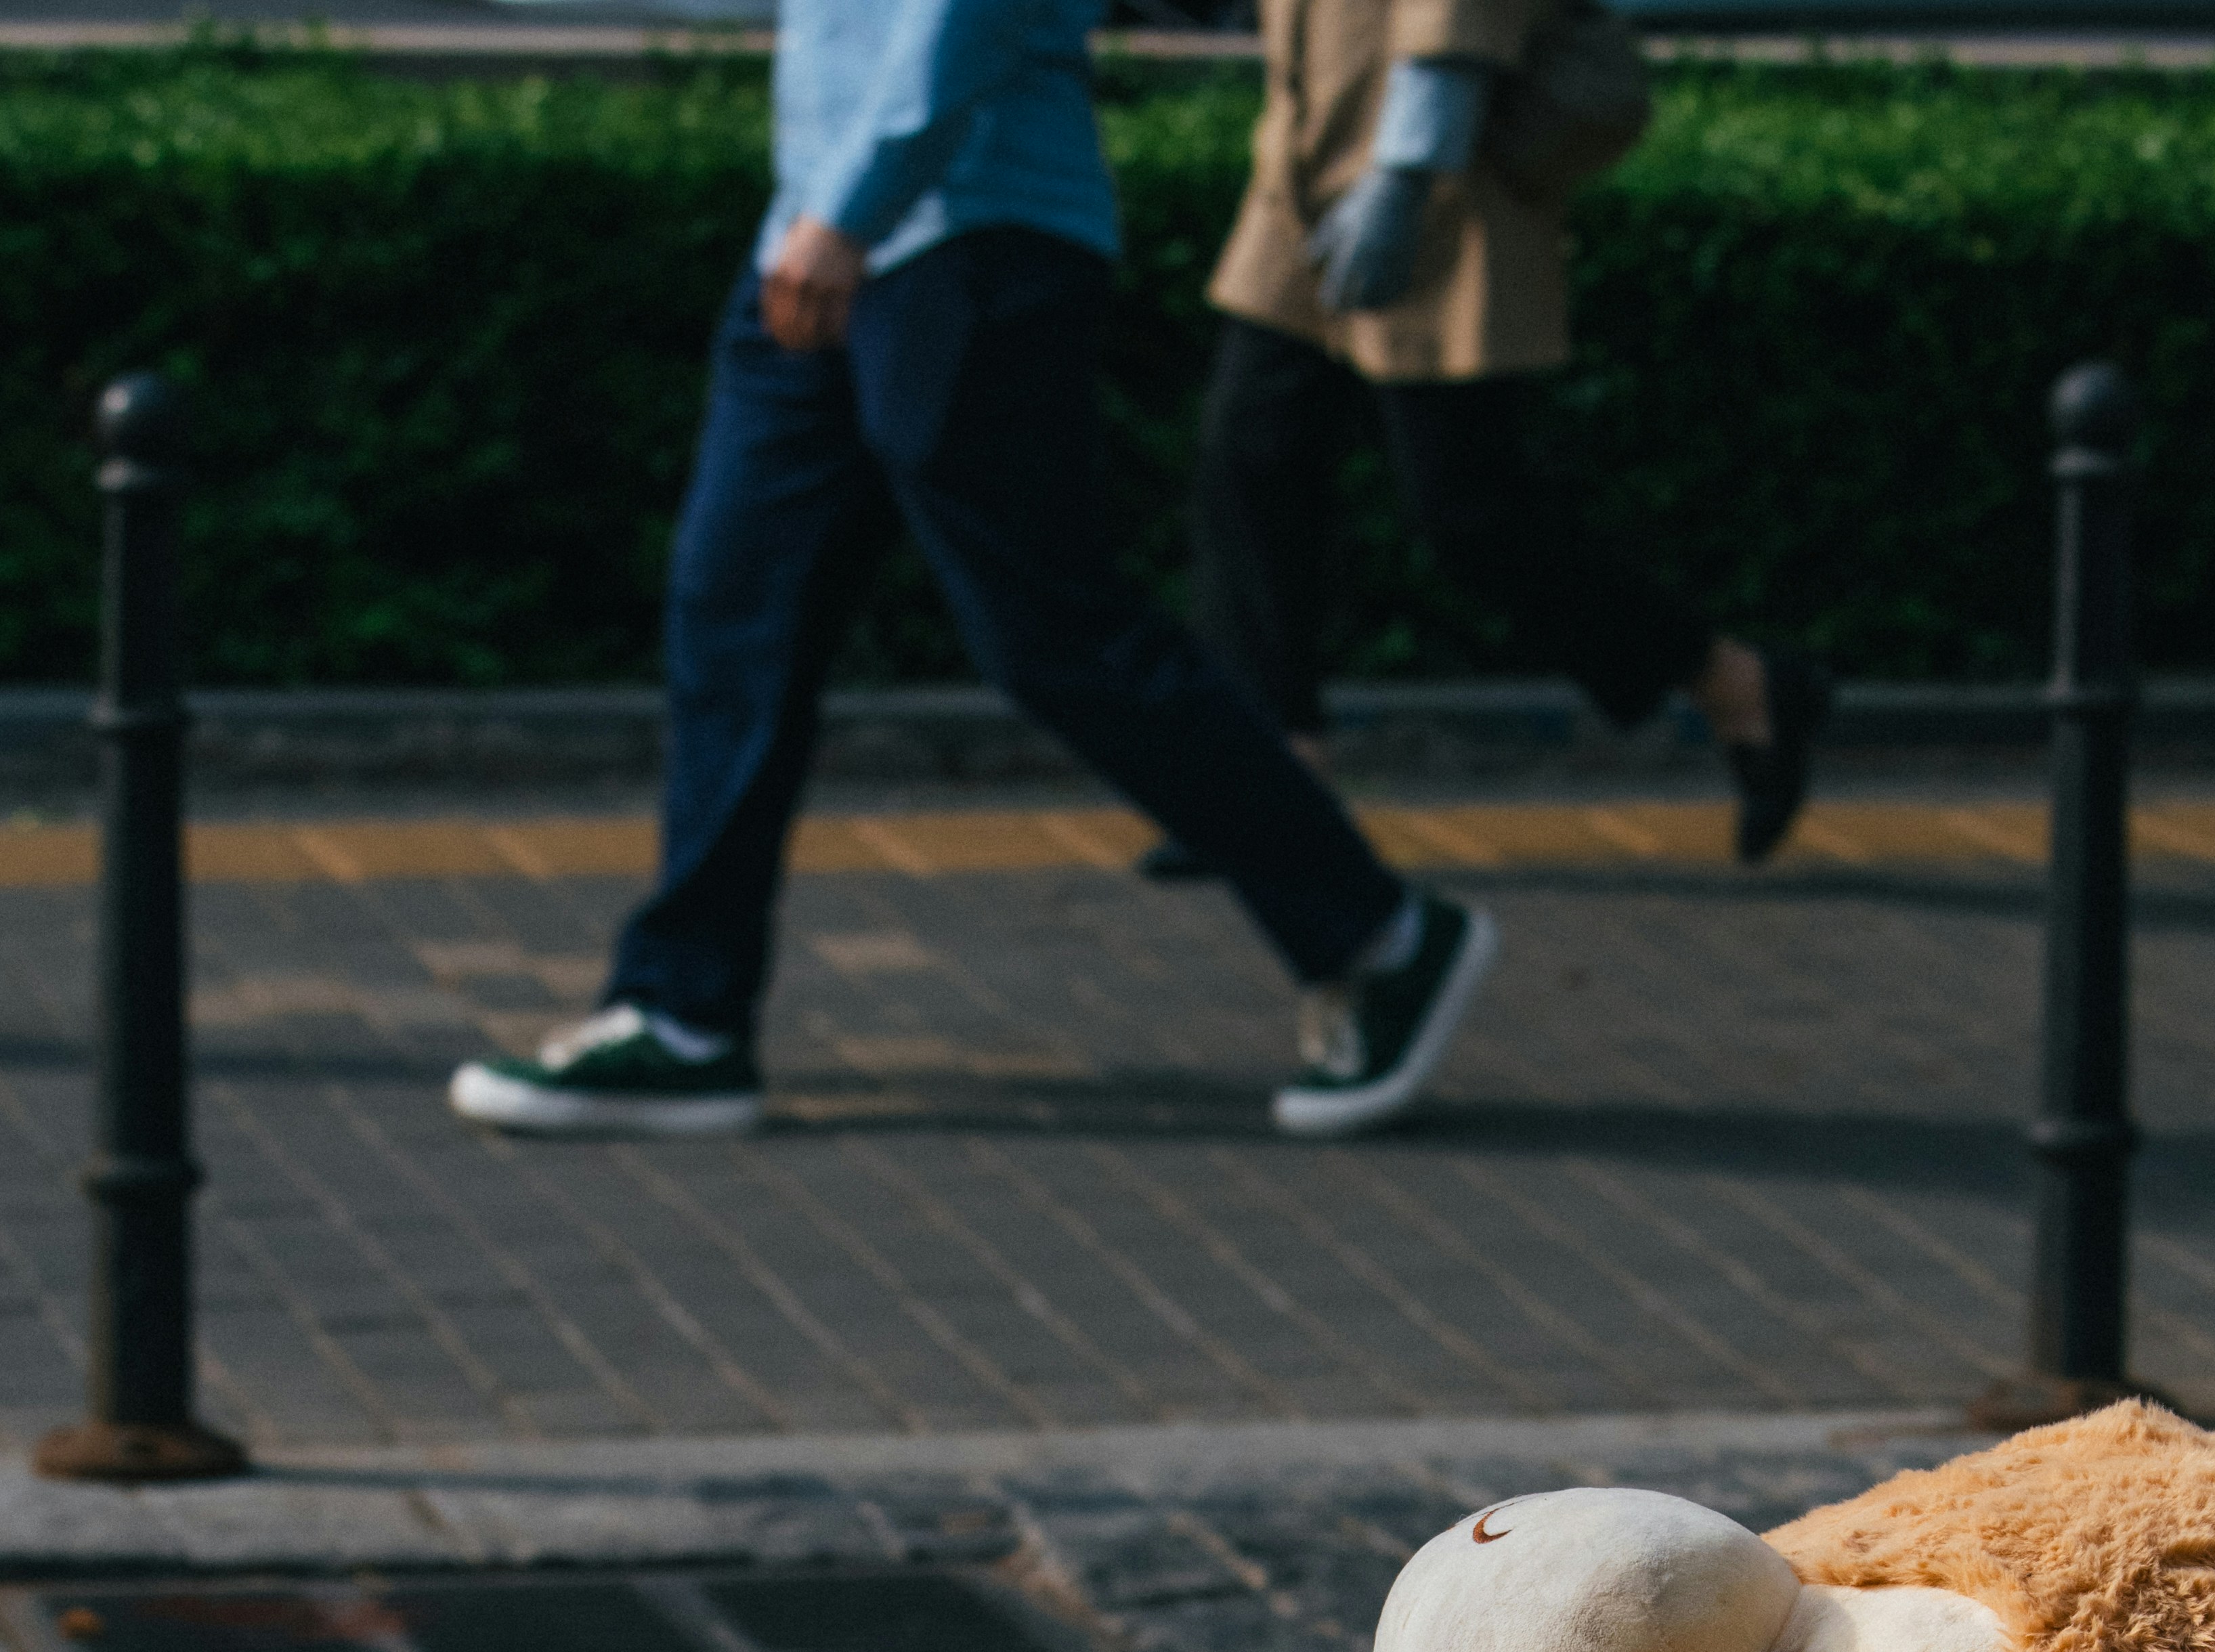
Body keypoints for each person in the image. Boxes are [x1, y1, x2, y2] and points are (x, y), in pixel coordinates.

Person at [447, 0, 1494, 1149]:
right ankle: (683, 1014)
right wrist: (825, 213)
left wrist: (851, 210)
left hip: (965, 232)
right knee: (734, 608)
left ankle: (1380, 938)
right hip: (817, 237)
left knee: (1052, 633)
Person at [1145, 0, 1829, 880]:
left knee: (1470, 513)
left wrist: (1404, 170)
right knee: (1249, 462)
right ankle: (1272, 780)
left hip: (1440, 180)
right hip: (1313, 164)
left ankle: (1737, 686)